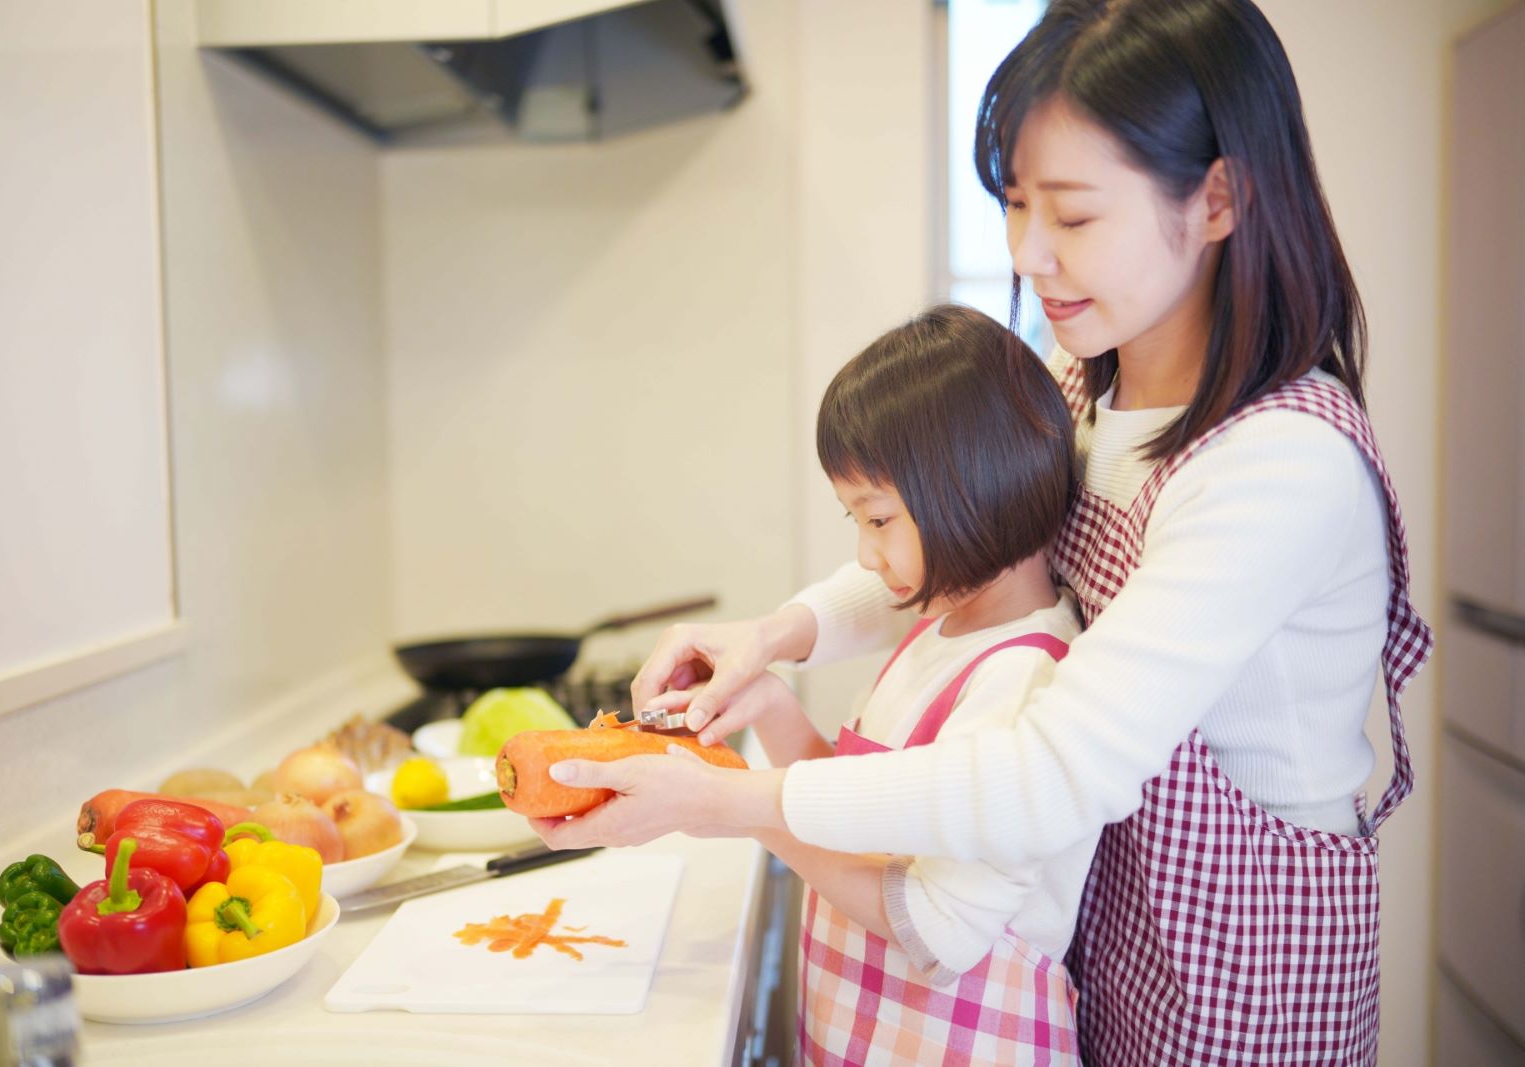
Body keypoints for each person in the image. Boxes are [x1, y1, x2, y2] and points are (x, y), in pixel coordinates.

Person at [531, 1, 1433, 1063]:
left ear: (1219, 197)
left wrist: (735, 801)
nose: (1031, 254)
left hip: (1242, 960)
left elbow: (1046, 769)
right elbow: (971, 543)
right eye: (1013, 204)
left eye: (1075, 215)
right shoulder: (1081, 388)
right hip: (1111, 912)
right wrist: (774, 635)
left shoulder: (1280, 462)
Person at [679, 303, 1089, 1063]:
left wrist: (739, 809)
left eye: (878, 519)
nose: (866, 556)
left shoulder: (1026, 677)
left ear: (979, 489)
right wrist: (767, 698)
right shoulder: (940, 628)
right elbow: (849, 806)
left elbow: (935, 925)